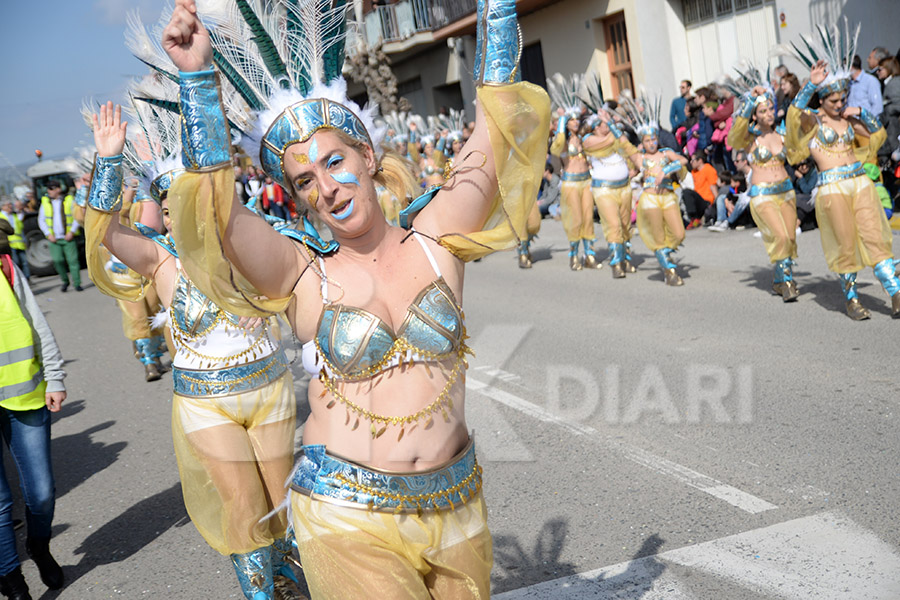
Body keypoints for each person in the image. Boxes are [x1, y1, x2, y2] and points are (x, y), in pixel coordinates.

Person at [160, 0, 548, 596]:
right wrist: (197, 81)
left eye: (334, 162)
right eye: (304, 181)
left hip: (456, 501)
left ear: (367, 156)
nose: (327, 189)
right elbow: (217, 218)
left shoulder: (436, 240)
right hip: (347, 513)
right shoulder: (301, 276)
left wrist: (496, 9)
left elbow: (494, 132)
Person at [84, 69, 301, 599]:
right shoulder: (160, 259)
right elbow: (107, 232)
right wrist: (109, 160)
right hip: (206, 402)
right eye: (177, 199)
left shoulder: (247, 243)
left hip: (269, 387)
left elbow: (302, 279)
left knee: (286, 507)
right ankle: (262, 595)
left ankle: (296, 582)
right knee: (244, 509)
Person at [786, 24, 899, 320]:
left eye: (843, 99)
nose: (840, 104)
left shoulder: (848, 118)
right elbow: (794, 113)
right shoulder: (812, 121)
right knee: (845, 242)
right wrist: (810, 84)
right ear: (821, 100)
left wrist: (862, 114)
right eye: (833, 100)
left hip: (860, 182)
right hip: (832, 189)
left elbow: (877, 136)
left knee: (875, 236)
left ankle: (896, 292)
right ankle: (852, 299)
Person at [0, 241, 66, 600]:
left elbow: (36, 322)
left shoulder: (5, 265)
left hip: (25, 396)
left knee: (41, 494)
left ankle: (38, 547)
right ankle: (13, 584)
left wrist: (54, 377)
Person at [601, 93, 689, 286]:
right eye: (647, 140)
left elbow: (683, 160)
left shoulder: (666, 153)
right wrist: (610, 124)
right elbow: (623, 142)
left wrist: (665, 170)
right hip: (650, 200)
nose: (651, 143)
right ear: (642, 141)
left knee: (679, 233)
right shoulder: (640, 158)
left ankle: (664, 253)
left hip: (668, 198)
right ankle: (669, 270)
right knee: (658, 236)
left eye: (654, 139)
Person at [727, 77, 800, 302]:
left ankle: (780, 280)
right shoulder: (749, 138)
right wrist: (750, 101)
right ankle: (786, 282)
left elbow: (799, 140)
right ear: (755, 115)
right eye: (762, 110)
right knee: (779, 235)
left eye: (770, 109)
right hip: (762, 194)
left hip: (786, 191)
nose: (768, 113)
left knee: (789, 237)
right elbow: (734, 136)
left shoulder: (781, 133)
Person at [548, 77, 603, 270]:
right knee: (575, 219)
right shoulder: (561, 141)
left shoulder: (584, 138)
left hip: (586, 181)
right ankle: (574, 255)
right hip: (570, 183)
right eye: (571, 120)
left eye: (576, 119)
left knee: (588, 218)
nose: (575, 122)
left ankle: (589, 255)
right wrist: (561, 122)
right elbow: (554, 150)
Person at [583, 114, 637, 278]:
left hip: (624, 187)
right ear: (596, 126)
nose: (606, 125)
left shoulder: (616, 135)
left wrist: (633, 168)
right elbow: (607, 142)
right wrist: (613, 124)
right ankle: (616, 262)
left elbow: (629, 150)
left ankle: (626, 258)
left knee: (626, 226)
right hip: (604, 189)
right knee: (613, 225)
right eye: (603, 123)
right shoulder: (588, 139)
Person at [38, 182, 82, 292]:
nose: (49, 191)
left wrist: (71, 231)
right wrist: (48, 234)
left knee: (73, 261)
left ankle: (77, 283)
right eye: (48, 189)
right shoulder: (45, 202)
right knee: (57, 261)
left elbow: (77, 217)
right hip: (54, 239)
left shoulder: (69, 200)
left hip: (68, 237)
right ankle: (65, 281)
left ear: (59, 189)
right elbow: (41, 219)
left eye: (52, 189)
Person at [684, 151, 717, 229]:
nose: (691, 163)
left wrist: (716, 202)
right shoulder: (694, 172)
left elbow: (713, 186)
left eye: (693, 160)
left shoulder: (708, 169)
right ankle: (694, 219)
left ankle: (694, 218)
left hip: (706, 201)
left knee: (687, 192)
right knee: (685, 192)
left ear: (700, 161)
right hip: (697, 200)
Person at [0, 202, 29, 281]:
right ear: (3, 207)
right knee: (14, 264)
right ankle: (16, 280)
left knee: (24, 263)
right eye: (8, 205)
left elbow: (19, 226)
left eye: (10, 205)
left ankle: (26, 279)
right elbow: (9, 230)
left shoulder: (14, 215)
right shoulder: (1, 217)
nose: (10, 206)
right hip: (8, 244)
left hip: (19, 242)